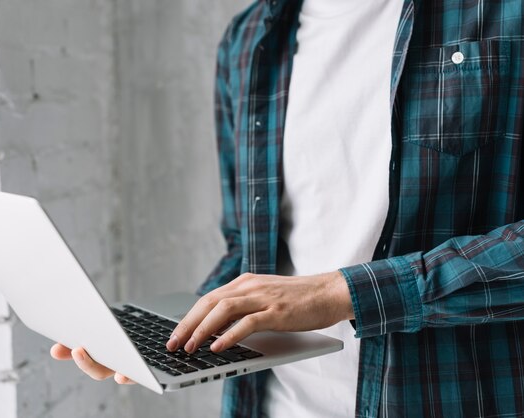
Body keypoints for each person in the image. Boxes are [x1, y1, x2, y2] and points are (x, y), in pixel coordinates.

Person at [51, 0, 524, 416]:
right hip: (274, 404)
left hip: (452, 397)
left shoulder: (504, 13)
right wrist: (178, 337)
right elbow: (247, 244)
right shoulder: (248, 38)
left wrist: (342, 293)